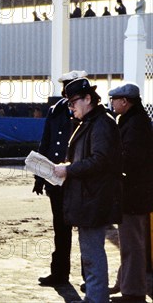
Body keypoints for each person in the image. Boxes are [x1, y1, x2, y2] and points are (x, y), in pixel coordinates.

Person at [53, 77, 122, 303]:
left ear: (88, 99)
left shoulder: (101, 123)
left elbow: (100, 160)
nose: (71, 108)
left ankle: (96, 299)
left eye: (73, 102)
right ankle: (94, 297)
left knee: (93, 255)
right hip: (89, 198)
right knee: (90, 254)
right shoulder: (93, 122)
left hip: (94, 199)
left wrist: (69, 169)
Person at [34, 70, 87, 288]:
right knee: (60, 228)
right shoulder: (55, 111)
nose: (66, 90)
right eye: (65, 86)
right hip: (56, 180)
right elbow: (46, 143)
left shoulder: (85, 112)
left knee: (85, 231)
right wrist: (39, 176)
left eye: (70, 86)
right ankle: (60, 273)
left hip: (77, 179)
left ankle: (89, 278)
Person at [107, 83, 153, 303]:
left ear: (124, 101)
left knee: (133, 244)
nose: (112, 103)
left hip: (133, 195)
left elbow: (130, 160)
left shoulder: (134, 125)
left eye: (114, 99)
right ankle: (126, 283)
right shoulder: (136, 121)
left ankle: (133, 292)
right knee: (131, 242)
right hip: (137, 194)